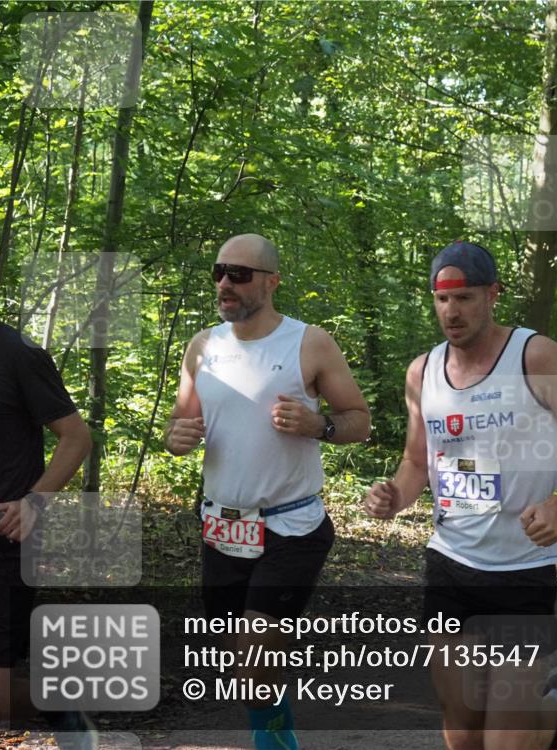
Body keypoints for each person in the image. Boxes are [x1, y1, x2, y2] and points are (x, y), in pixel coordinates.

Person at [365, 240, 557, 749]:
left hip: (520, 569)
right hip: (451, 560)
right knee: (462, 725)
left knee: (505, 742)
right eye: (441, 299)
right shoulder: (422, 372)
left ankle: (556, 709)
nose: (451, 311)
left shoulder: (534, 355)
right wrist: (395, 494)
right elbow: (417, 461)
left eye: (463, 298)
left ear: (493, 295)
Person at [164, 234, 370, 750]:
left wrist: (318, 425)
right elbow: (179, 425)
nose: (225, 283)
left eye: (239, 273)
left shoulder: (309, 342)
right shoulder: (203, 345)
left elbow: (359, 421)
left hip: (290, 525)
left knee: (257, 655)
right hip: (222, 527)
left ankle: (278, 745)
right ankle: (275, 727)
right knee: (242, 662)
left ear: (272, 282)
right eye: (219, 272)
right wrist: (177, 438)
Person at [0, 252, 94, 738]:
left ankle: (60, 710)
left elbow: (76, 437)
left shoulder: (20, 355)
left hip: (2, 541)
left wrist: (34, 502)